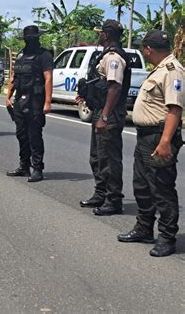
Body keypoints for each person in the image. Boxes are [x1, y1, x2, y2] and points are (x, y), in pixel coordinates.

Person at [118, 30, 184, 257]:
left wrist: (165, 141)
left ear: (148, 49)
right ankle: (144, 228)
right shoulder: (158, 70)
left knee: (162, 188)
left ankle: (167, 237)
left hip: (159, 136)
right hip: (145, 137)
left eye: (143, 48)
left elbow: (175, 109)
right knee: (142, 186)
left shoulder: (172, 71)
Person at [76, 19, 131, 216]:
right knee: (97, 157)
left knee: (109, 158)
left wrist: (105, 116)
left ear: (106, 35)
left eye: (101, 33)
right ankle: (101, 194)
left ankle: (113, 199)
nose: (99, 35)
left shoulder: (114, 57)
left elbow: (115, 87)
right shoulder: (105, 55)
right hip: (101, 110)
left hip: (110, 114)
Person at [5, 25, 53, 182]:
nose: (30, 41)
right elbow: (13, 76)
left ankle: (37, 168)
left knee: (34, 135)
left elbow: (48, 78)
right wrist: (8, 96)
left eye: (32, 38)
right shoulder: (21, 55)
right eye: (28, 38)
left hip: (35, 100)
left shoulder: (44, 55)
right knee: (21, 135)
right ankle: (23, 166)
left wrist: (47, 102)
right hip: (20, 99)